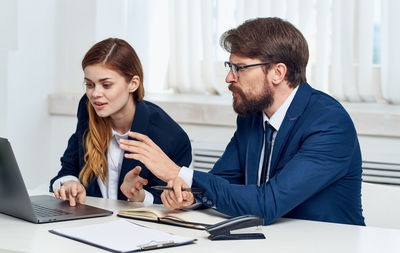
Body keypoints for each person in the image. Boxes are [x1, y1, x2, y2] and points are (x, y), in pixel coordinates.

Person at [119, 17, 365, 226]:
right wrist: (191, 197)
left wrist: (177, 172)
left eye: (240, 68)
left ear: (278, 73)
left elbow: (267, 204)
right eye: (230, 66)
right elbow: (223, 180)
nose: (228, 77)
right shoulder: (251, 117)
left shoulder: (330, 124)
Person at [49, 38, 192, 206]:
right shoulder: (88, 108)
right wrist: (70, 183)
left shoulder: (171, 137)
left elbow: (175, 201)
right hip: (91, 222)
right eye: (89, 84)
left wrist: (138, 195)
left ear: (133, 84)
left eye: (106, 85)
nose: (95, 94)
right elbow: (68, 167)